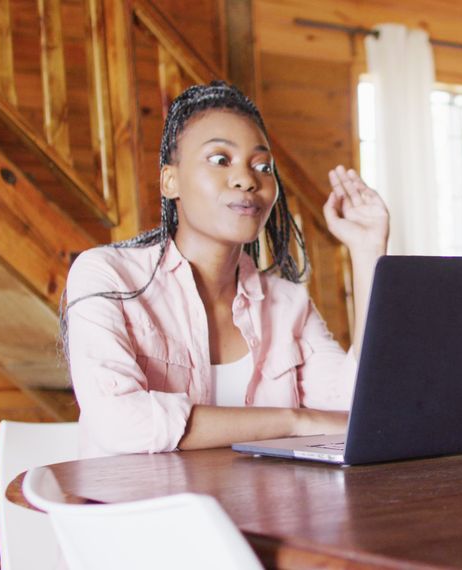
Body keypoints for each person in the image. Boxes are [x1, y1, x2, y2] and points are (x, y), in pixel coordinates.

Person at [62, 81, 389, 458]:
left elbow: (359, 409)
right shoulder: (106, 277)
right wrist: (292, 421)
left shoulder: (288, 304)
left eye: (262, 166)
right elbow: (122, 424)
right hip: (135, 512)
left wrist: (367, 254)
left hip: (250, 513)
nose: (247, 179)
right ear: (170, 181)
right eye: (220, 160)